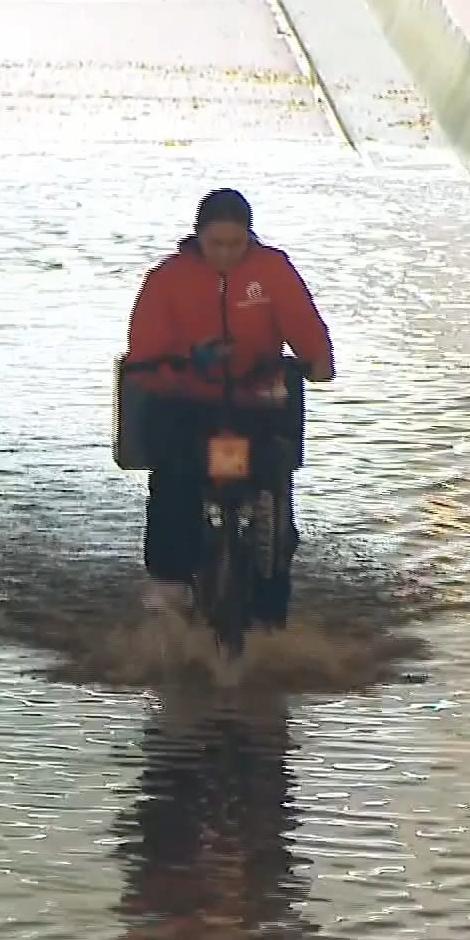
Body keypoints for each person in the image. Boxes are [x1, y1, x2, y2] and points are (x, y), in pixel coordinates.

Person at [122, 188, 335, 625]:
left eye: (235, 245)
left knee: (274, 491)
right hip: (188, 403)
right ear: (197, 237)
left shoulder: (273, 271)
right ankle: (169, 584)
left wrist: (318, 361)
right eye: (215, 244)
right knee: (173, 480)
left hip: (256, 402)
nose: (225, 254)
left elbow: (303, 324)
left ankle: (272, 597)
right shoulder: (167, 278)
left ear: (249, 238)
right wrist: (181, 365)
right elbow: (143, 352)